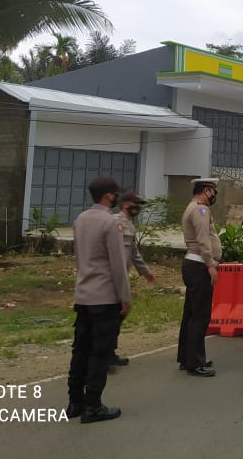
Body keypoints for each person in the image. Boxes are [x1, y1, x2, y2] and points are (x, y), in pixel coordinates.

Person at [66, 175, 131, 423]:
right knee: (100, 352)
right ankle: (93, 404)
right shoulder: (110, 223)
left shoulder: (80, 219)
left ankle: (75, 402)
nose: (117, 198)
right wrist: (125, 298)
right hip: (104, 298)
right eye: (115, 194)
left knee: (80, 350)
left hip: (83, 296)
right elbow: (118, 266)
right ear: (108, 196)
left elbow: (79, 257)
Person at [176, 177, 222, 377]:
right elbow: (203, 239)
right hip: (199, 265)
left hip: (193, 264)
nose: (214, 195)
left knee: (190, 314)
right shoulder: (201, 209)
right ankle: (195, 362)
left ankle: (186, 357)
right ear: (206, 191)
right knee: (200, 316)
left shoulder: (192, 207)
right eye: (213, 190)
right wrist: (210, 265)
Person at [109, 191, 156, 366]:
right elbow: (116, 256)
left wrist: (145, 272)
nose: (138, 208)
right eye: (135, 204)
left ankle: (109, 352)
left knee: (117, 317)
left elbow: (134, 253)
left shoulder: (129, 225)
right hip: (112, 278)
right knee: (113, 317)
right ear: (125, 204)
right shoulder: (116, 223)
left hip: (122, 277)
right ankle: (103, 355)